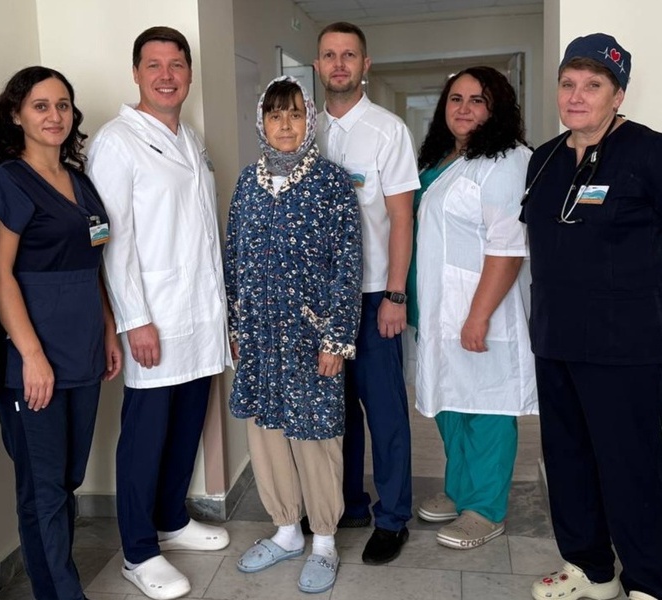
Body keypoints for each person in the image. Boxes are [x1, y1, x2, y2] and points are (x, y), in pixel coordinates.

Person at [87, 26, 233, 600]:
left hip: (199, 314)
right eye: (154, 65)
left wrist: (223, 314)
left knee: (188, 422)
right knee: (145, 435)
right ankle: (138, 550)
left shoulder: (190, 138)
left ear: (189, 73)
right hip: (155, 315)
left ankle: (172, 517)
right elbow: (113, 240)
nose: (167, 76)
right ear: (136, 73)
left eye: (176, 65)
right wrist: (134, 319)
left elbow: (201, 233)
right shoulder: (117, 141)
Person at [521, 33, 662, 600]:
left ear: (617, 94)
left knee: (631, 467)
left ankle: (649, 581)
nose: (576, 96)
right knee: (567, 460)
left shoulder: (649, 154)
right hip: (555, 338)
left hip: (625, 346)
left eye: (593, 85)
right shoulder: (545, 159)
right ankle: (591, 570)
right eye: (568, 84)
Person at [0, 66, 122, 600]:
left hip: (82, 349)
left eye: (63, 105)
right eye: (40, 106)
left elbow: (93, 261)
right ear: (16, 115)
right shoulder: (7, 183)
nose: (55, 115)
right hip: (33, 359)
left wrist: (108, 328)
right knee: (43, 488)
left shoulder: (80, 182)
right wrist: (31, 355)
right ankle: (61, 592)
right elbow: (0, 275)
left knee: (66, 480)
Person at [226, 76, 362, 593]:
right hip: (259, 335)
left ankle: (323, 540)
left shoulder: (330, 182)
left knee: (316, 436)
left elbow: (348, 264)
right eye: (275, 114)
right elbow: (233, 257)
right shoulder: (247, 182)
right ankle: (285, 530)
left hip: (310, 336)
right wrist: (236, 326)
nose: (285, 125)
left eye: (296, 114)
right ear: (261, 122)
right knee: (267, 435)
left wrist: (336, 338)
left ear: (310, 121)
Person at [411, 66, 537, 549]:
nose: (464, 108)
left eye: (477, 100)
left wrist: (479, 315)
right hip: (438, 306)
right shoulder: (446, 156)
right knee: (451, 403)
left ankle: (485, 509)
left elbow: (508, 247)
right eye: (456, 98)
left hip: (481, 308)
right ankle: (461, 490)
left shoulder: (507, 161)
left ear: (496, 108)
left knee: (487, 407)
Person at [313, 21, 420, 564]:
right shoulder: (303, 128)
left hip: (373, 295)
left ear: (365, 65)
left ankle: (393, 517)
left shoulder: (387, 130)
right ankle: (348, 503)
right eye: (329, 55)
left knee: (384, 412)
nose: (339, 64)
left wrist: (395, 296)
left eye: (348, 55)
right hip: (320, 302)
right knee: (336, 411)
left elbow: (402, 218)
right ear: (317, 65)